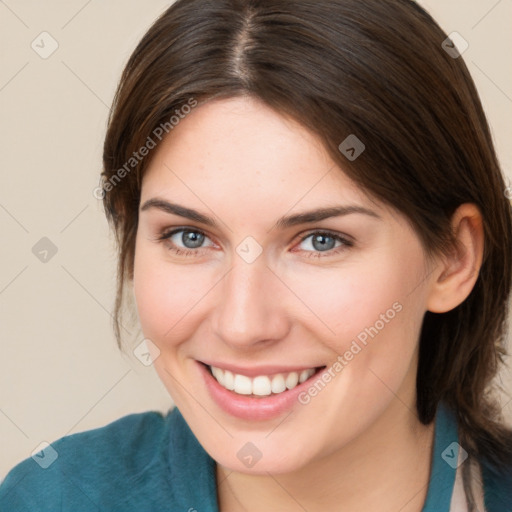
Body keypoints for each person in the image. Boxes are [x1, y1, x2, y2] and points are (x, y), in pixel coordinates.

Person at [1, 0, 511, 510]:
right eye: (190, 237)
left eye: (320, 241)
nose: (243, 325)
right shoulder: (50, 498)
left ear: (452, 259)